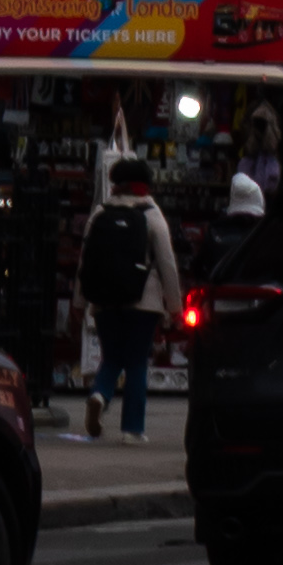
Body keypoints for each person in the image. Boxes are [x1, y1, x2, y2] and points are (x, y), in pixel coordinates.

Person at [75, 154, 177, 441]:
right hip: (144, 302)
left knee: (111, 358)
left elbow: (85, 262)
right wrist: (175, 306)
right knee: (135, 363)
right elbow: (167, 263)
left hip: (104, 300)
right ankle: (132, 429)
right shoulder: (151, 213)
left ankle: (99, 394)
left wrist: (79, 302)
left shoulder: (100, 213)